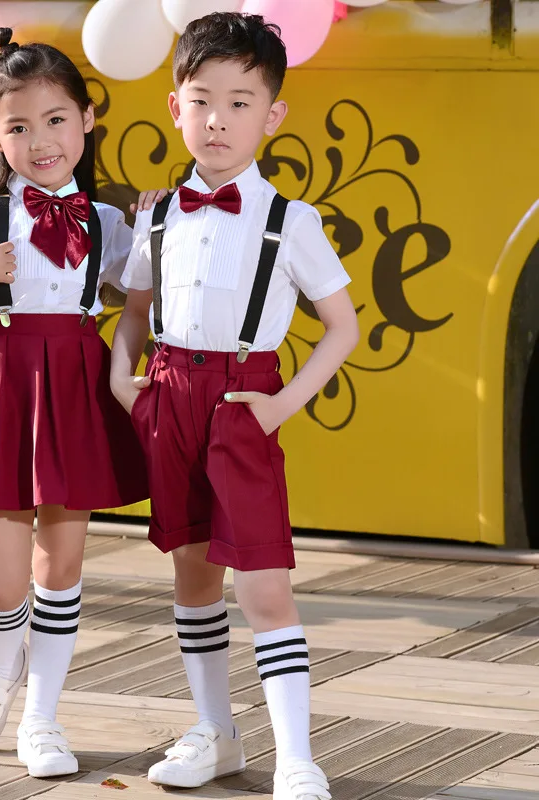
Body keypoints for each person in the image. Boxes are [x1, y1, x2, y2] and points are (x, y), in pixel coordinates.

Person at [110, 12, 359, 800]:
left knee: (263, 585)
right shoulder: (157, 213)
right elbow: (136, 307)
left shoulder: (290, 221)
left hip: (244, 402)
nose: (218, 119)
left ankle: (296, 756)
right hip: (170, 396)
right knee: (192, 576)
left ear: (272, 115)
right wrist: (121, 374)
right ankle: (215, 732)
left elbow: (343, 327)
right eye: (202, 100)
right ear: (175, 107)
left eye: (240, 103)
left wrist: (282, 405)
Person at [0, 27, 159, 778]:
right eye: (18, 126)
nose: (41, 140)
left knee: (63, 563)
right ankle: (1, 669)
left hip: (74, 386)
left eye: (56, 119)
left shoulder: (105, 223)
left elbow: (143, 298)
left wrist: (157, 232)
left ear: (88, 119)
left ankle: (43, 716)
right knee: (4, 577)